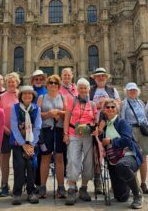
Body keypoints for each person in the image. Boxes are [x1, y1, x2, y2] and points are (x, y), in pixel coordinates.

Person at [99, 99, 144, 209]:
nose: (110, 109)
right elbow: (101, 143)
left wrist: (111, 141)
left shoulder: (122, 122)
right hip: (113, 160)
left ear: (116, 110)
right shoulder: (104, 125)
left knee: (122, 165)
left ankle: (138, 194)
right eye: (107, 107)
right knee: (121, 197)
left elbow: (127, 140)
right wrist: (100, 130)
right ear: (104, 110)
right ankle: (129, 181)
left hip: (128, 156)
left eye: (113, 107)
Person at [63, 78, 98, 206]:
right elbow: (67, 118)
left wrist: (93, 127)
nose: (83, 89)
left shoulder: (93, 104)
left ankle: (84, 187)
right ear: (77, 89)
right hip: (73, 134)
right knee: (72, 159)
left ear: (89, 89)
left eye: (85, 87)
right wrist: (65, 134)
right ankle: (71, 188)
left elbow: (96, 120)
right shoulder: (72, 101)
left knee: (89, 161)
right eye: (81, 87)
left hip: (88, 136)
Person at [89, 67, 121, 193]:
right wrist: (97, 105)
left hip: (110, 125)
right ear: (95, 78)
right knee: (96, 155)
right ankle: (98, 182)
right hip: (94, 125)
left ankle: (115, 183)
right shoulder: (90, 91)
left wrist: (107, 104)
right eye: (98, 76)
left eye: (103, 76)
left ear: (106, 78)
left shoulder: (112, 90)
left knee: (114, 153)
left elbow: (119, 103)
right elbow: (86, 105)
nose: (101, 78)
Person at [10, 86, 42, 205]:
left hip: (32, 142)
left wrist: (32, 145)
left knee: (31, 165)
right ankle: (17, 193)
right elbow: (14, 126)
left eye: (29, 94)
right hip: (18, 142)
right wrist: (24, 144)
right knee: (19, 165)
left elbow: (38, 127)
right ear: (21, 96)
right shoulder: (15, 108)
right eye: (24, 94)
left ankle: (31, 191)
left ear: (33, 96)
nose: (27, 96)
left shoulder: (36, 109)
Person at [37, 75, 67, 198]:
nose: (53, 85)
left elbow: (67, 114)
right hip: (46, 131)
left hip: (59, 130)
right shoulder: (41, 97)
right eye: (50, 83)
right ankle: (43, 187)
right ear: (47, 85)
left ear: (58, 86)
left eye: (55, 83)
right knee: (45, 158)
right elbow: (37, 115)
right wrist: (49, 114)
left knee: (59, 158)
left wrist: (59, 113)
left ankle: (61, 187)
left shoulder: (62, 97)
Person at [121, 82, 148, 194]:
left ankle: (143, 183)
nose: (133, 92)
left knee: (143, 158)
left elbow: (145, 116)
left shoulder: (141, 103)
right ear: (127, 92)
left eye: (134, 90)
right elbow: (123, 119)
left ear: (137, 91)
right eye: (130, 90)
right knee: (133, 158)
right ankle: (134, 185)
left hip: (143, 131)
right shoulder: (124, 103)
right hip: (131, 131)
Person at [0, 72, 20, 197]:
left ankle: (18, 184)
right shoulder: (2, 97)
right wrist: (5, 129)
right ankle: (4, 184)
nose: (12, 84)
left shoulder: (21, 95)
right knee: (5, 159)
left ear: (17, 82)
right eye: (9, 82)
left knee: (18, 160)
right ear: (6, 83)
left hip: (19, 133)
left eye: (14, 81)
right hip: (6, 132)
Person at [31, 69, 48, 191]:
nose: (38, 81)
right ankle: (30, 181)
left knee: (42, 155)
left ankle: (39, 182)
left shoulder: (46, 91)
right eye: (36, 79)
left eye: (40, 79)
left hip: (43, 129)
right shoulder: (28, 92)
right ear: (32, 80)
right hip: (30, 128)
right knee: (31, 155)